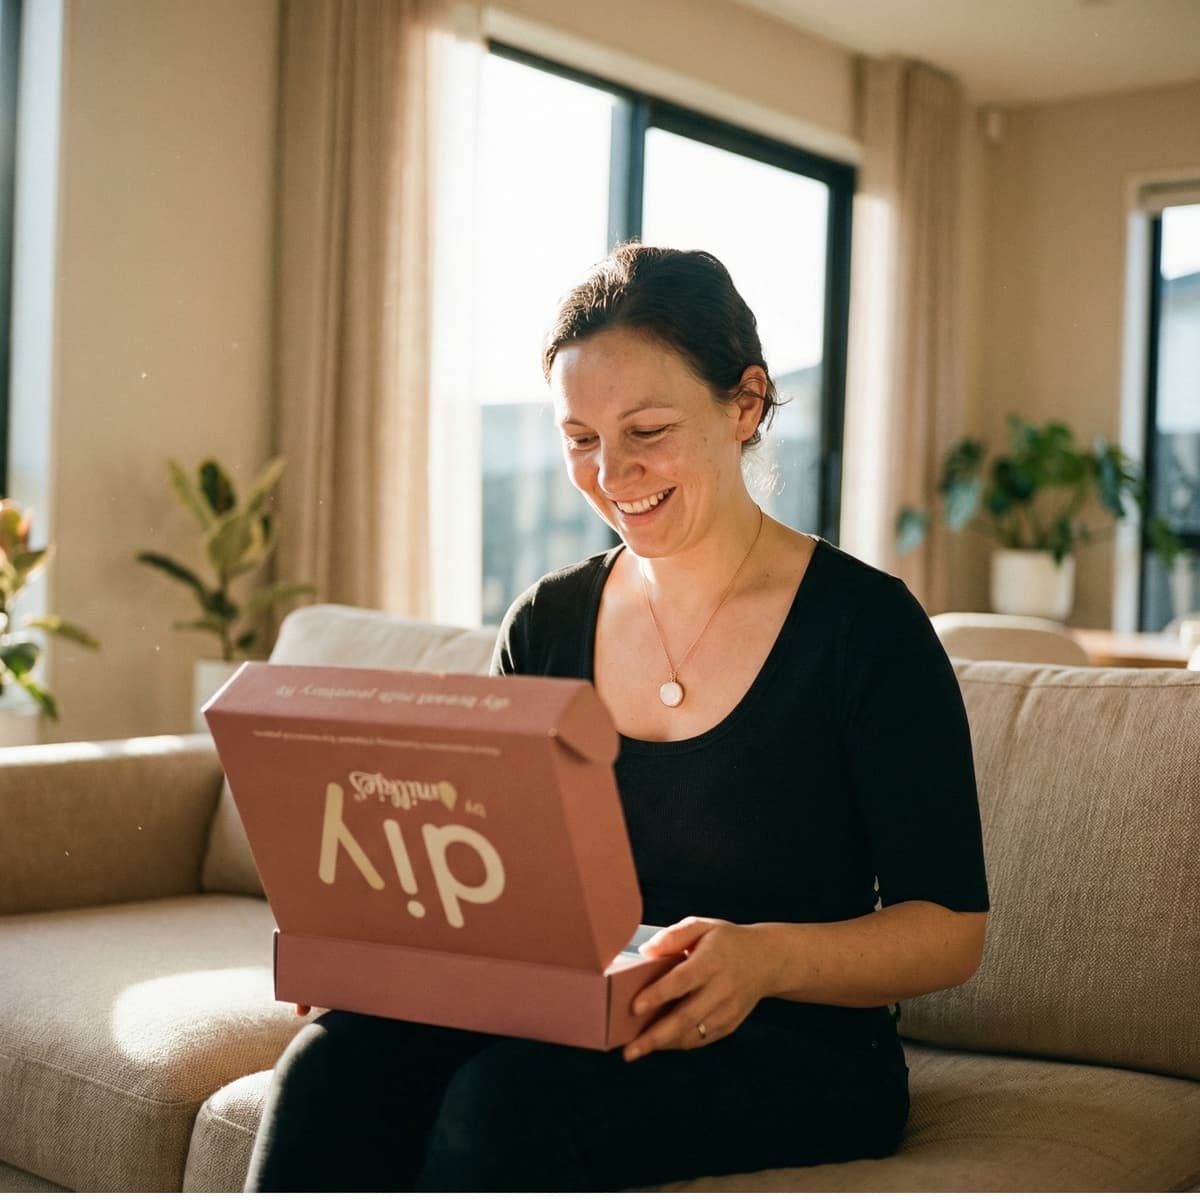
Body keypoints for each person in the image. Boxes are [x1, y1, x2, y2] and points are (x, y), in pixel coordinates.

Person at [244, 244, 989, 1192]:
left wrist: (766, 957)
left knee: (504, 1106)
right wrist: (379, 957)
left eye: (646, 429)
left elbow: (952, 928)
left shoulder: (867, 629)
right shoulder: (547, 623)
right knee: (332, 1064)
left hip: (792, 1044)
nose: (613, 472)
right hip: (565, 1010)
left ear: (746, 403)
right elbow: (484, 879)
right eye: (580, 438)